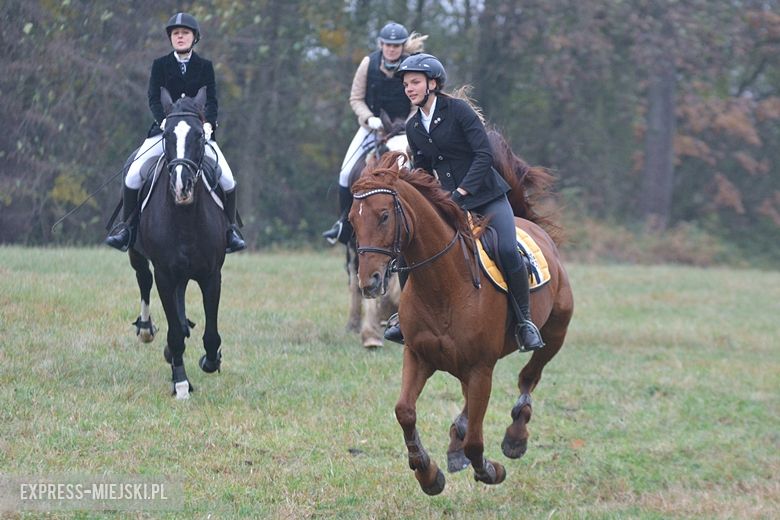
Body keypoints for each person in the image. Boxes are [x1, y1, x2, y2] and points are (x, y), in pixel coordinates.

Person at [385, 53, 544, 351]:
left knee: (507, 249)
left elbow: (483, 155)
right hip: (448, 202)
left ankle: (524, 323)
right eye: (406, 84)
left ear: (432, 83)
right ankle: (403, 319)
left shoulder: (459, 112)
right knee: (411, 252)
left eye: (415, 82)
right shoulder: (414, 127)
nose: (409, 88)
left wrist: (461, 194)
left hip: (486, 197)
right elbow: (421, 169)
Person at [106, 12, 245, 254]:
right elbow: (153, 98)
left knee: (228, 180)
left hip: (198, 135)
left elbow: (211, 101)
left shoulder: (205, 66)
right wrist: (163, 122)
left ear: (194, 37)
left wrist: (208, 125)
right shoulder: (160, 65)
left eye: (185, 33)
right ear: (171, 38)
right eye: (176, 34)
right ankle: (126, 229)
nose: (180, 37)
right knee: (133, 175)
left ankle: (230, 230)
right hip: (164, 132)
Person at [322, 22, 425, 245]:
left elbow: (417, 105)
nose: (391, 49)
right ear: (381, 44)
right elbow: (356, 99)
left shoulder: (411, 65)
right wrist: (369, 118)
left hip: (401, 130)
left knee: (410, 169)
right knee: (345, 171)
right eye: (388, 45)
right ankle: (343, 224)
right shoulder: (368, 64)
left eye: (396, 45)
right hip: (371, 127)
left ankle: (419, 217)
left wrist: (407, 125)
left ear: (402, 46)